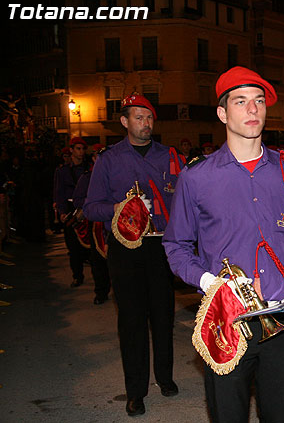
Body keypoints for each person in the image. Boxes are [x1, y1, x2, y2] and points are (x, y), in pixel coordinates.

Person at [162, 66, 284, 423]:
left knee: (278, 414)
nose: (252, 110)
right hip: (227, 320)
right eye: (241, 102)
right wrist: (208, 282)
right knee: (228, 416)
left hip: (281, 317)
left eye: (258, 101)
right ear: (223, 113)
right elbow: (176, 245)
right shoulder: (196, 177)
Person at [83, 93, 182, 416]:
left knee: (164, 316)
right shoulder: (108, 160)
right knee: (132, 321)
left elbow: (184, 199)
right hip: (126, 248)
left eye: (149, 117)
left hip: (159, 245)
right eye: (138, 117)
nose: (146, 123)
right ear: (124, 122)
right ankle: (135, 391)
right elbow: (90, 208)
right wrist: (121, 209)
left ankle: (165, 377)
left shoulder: (168, 155)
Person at [72, 143, 111, 305]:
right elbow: (78, 199)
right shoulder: (87, 177)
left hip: (115, 222)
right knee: (98, 261)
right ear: (94, 158)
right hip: (96, 224)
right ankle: (101, 291)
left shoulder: (116, 175)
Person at [54, 137, 90, 287]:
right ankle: (77, 275)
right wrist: (61, 211)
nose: (81, 152)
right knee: (72, 245)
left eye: (82, 149)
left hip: (86, 208)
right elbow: (59, 191)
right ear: (71, 150)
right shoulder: (62, 171)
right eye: (78, 149)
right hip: (70, 210)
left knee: (89, 245)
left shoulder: (89, 169)